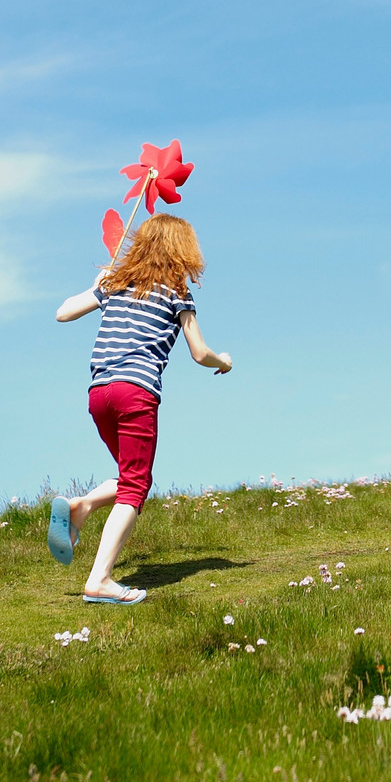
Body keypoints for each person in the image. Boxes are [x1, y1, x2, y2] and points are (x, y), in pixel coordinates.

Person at [49, 213, 231, 604]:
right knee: (135, 485)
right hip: (136, 392)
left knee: (134, 476)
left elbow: (62, 312)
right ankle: (99, 580)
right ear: (183, 249)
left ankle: (81, 507)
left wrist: (96, 286)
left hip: (99, 393)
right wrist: (224, 361)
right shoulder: (176, 291)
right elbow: (199, 353)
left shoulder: (115, 283)